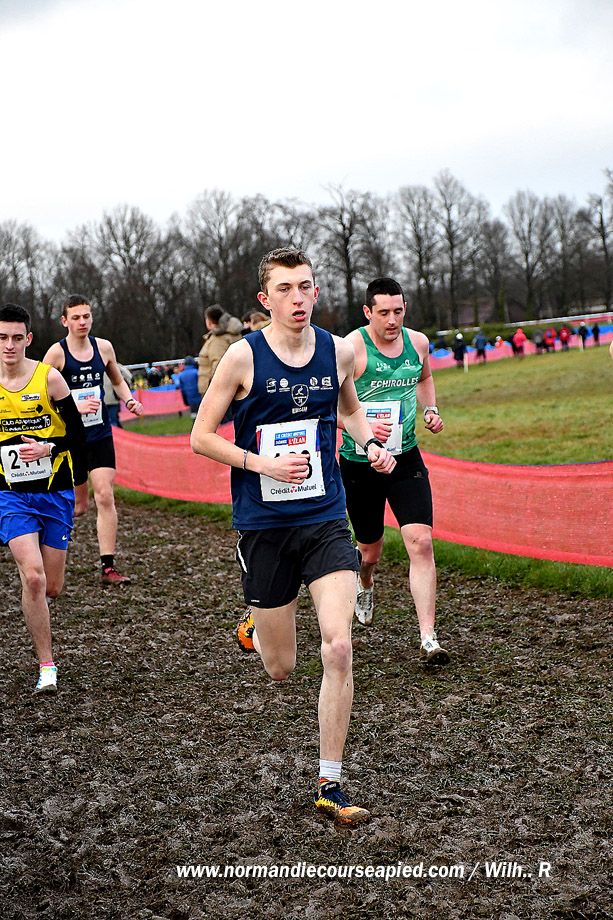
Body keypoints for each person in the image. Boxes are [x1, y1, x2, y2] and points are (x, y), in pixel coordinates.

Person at [191, 247, 395, 826]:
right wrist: (262, 464)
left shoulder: (337, 350)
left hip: (325, 518)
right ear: (266, 299)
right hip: (264, 525)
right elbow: (201, 437)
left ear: (316, 291)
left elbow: (349, 411)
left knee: (338, 646)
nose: (298, 298)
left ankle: (330, 783)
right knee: (281, 668)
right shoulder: (241, 357)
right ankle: (257, 625)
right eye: (285, 289)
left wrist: (370, 445)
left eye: (305, 286)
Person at [338, 278, 449, 667]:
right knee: (370, 550)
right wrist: (364, 427)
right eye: (383, 312)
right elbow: (328, 408)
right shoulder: (350, 349)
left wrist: (430, 409)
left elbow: (425, 377)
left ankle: (428, 637)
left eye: (398, 311)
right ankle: (365, 579)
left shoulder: (418, 343)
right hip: (360, 463)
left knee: (421, 542)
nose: (392, 320)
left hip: (405, 459)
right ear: (367, 312)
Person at [0, 303, 85, 694]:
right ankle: (46, 666)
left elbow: (79, 436)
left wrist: (48, 448)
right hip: (10, 496)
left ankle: (33, 585)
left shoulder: (49, 378)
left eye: (17, 337)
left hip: (54, 492)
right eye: (2, 337)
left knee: (51, 586)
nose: (9, 345)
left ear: (28, 339)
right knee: (33, 577)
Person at [43, 295, 143, 585]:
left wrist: (129, 400)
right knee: (78, 506)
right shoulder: (56, 354)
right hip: (70, 439)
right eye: (76, 317)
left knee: (105, 495)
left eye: (86, 316)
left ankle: (108, 568)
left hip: (100, 434)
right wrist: (74, 404)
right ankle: (40, 547)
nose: (82, 322)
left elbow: (117, 380)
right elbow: (41, 397)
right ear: (65, 321)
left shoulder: (104, 348)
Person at [197, 305, 243, 397]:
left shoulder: (218, 340)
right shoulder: (234, 334)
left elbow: (218, 365)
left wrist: (215, 391)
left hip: (217, 393)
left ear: (209, 321)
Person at [103, 362, 133, 428]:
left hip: (99, 400)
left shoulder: (95, 366)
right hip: (113, 399)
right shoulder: (114, 365)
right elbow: (128, 375)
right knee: (113, 421)